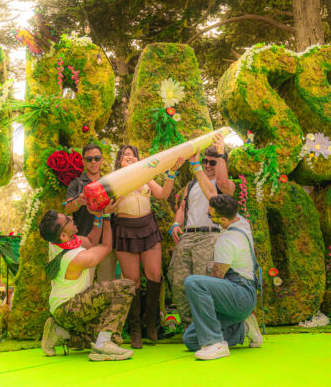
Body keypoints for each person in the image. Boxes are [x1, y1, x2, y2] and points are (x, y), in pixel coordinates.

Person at [109, 145, 184, 348]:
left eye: (134, 155)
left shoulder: (145, 176)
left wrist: (171, 173)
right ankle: (134, 329)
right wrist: (108, 209)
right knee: (131, 280)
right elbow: (105, 205)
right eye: (126, 155)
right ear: (119, 160)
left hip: (148, 227)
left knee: (154, 274)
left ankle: (151, 323)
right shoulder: (115, 178)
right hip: (125, 229)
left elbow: (162, 194)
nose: (130, 157)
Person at [38, 209, 136, 361]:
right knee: (126, 285)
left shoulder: (56, 242)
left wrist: (97, 217)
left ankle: (59, 331)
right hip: (70, 308)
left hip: (61, 310)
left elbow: (90, 242)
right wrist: (107, 216)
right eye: (67, 220)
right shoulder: (75, 258)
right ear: (63, 235)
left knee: (113, 337)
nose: (71, 217)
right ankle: (103, 344)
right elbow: (106, 247)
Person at [182, 194, 263, 360]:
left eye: (210, 216)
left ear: (224, 220)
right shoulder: (241, 222)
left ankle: (215, 343)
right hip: (244, 294)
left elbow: (217, 278)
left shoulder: (226, 241)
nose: (208, 216)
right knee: (190, 339)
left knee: (194, 283)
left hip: (240, 296)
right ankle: (244, 328)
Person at [168, 133, 235, 325]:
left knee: (204, 283)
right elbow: (182, 207)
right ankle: (191, 327)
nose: (207, 165)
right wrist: (176, 224)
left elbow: (217, 190)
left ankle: (208, 326)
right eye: (205, 161)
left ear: (221, 163)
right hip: (188, 236)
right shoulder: (192, 184)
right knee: (178, 281)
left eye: (212, 163)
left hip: (210, 236)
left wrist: (219, 154)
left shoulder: (225, 186)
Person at [65, 143, 117, 282]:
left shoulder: (109, 182)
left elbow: (116, 206)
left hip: (106, 242)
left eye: (96, 158)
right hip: (84, 242)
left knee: (106, 286)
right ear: (83, 161)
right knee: (84, 286)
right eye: (89, 159)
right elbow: (68, 208)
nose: (93, 162)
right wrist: (78, 201)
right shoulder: (76, 183)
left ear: (102, 160)